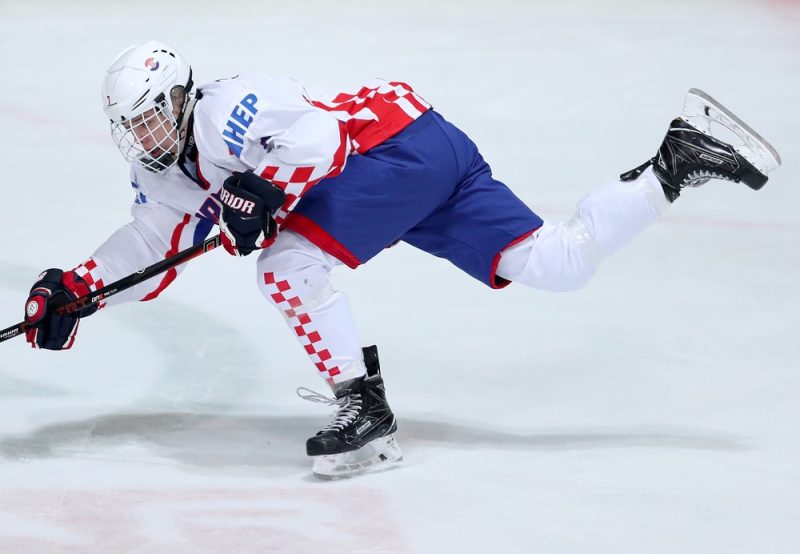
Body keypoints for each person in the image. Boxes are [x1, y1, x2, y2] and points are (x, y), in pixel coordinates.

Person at [22, 41, 781, 478]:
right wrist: (81, 289)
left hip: (388, 151)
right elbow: (157, 241)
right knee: (557, 263)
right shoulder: (162, 170)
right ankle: (678, 159)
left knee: (285, 266)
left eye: (153, 117)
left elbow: (322, 143)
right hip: (427, 148)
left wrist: (253, 193)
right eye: (131, 126)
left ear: (181, 98)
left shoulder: (228, 107)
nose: (144, 137)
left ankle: (363, 401)